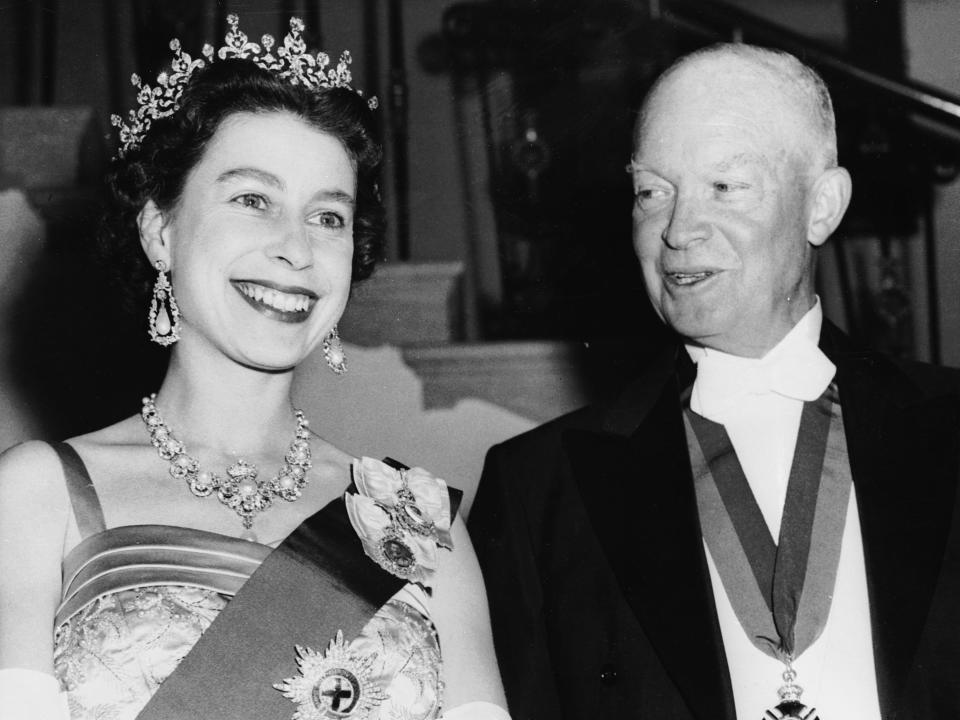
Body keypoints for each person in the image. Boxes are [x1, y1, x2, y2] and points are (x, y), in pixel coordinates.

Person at [0, 15, 509, 720]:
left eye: (328, 216)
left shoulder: (416, 526)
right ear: (160, 229)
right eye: (252, 200)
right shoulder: (37, 496)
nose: (296, 248)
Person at [469, 42, 960, 720]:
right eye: (652, 192)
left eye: (725, 187)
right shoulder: (538, 491)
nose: (678, 229)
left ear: (822, 206)